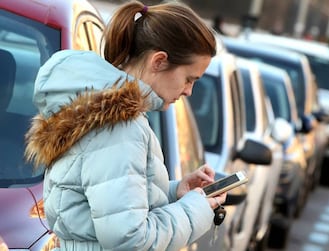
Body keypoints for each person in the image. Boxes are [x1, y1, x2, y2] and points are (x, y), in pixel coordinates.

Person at [24, 1, 226, 250]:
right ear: (159, 61)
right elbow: (130, 239)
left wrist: (175, 193)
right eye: (188, 79)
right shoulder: (119, 129)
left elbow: (104, 202)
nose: (188, 91)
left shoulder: (106, 115)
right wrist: (197, 208)